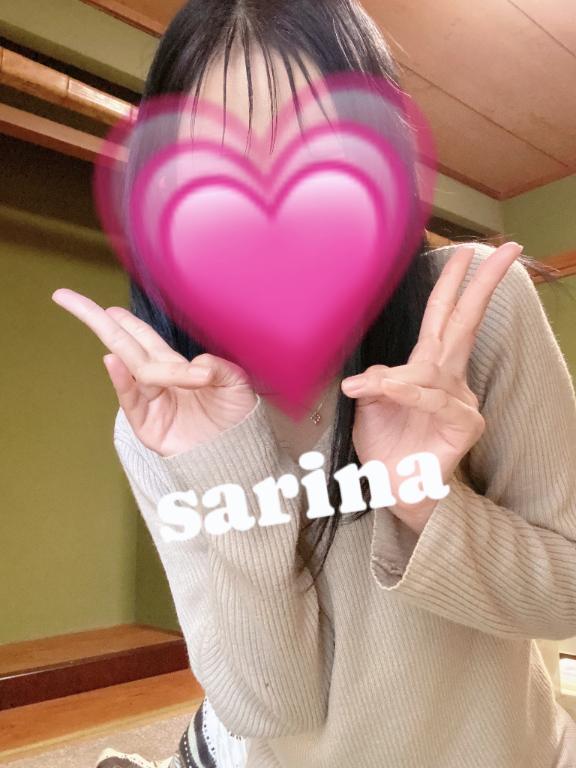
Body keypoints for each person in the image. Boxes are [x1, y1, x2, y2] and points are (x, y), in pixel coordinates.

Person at [52, 1, 576, 766]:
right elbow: (266, 706)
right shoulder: (159, 426)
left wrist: (425, 499)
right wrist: (229, 473)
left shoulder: (473, 312)